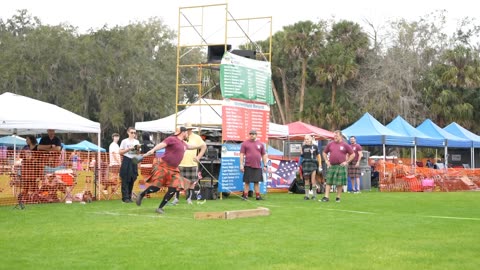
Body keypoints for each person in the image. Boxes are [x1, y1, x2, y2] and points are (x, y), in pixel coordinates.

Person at [135, 126, 205, 214]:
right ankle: (142, 194)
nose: (187, 134)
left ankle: (160, 208)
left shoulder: (184, 144)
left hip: (174, 170)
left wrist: (202, 145)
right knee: (156, 188)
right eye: (186, 132)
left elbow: (193, 147)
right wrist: (151, 151)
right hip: (163, 167)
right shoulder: (172, 139)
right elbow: (160, 145)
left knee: (173, 189)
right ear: (183, 132)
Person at [172, 123, 207, 205]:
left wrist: (198, 157)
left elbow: (204, 146)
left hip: (192, 163)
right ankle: (176, 198)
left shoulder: (197, 137)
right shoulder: (179, 137)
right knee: (178, 182)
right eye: (186, 129)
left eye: (189, 129)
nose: (187, 130)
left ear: (191, 129)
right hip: (180, 163)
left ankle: (189, 198)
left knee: (191, 183)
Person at [321, 130, 354, 203]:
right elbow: (324, 152)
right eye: (334, 136)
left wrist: (347, 162)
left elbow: (352, 154)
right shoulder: (330, 144)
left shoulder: (345, 145)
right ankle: (326, 197)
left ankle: (338, 197)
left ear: (341, 136)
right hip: (332, 166)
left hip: (340, 166)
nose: (335, 137)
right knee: (329, 181)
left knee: (339, 183)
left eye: (336, 136)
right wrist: (326, 160)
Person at [239, 130, 268, 201]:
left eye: (253, 134)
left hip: (257, 166)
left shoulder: (261, 144)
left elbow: (264, 155)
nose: (251, 135)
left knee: (256, 182)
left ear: (256, 135)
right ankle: (245, 196)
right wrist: (241, 165)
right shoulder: (245, 143)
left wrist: (265, 165)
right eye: (250, 134)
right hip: (248, 165)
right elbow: (241, 154)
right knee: (247, 182)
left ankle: (258, 196)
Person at [119, 127, 141, 203]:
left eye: (134, 133)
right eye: (132, 132)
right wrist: (128, 149)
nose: (133, 134)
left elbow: (138, 153)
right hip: (126, 159)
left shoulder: (137, 141)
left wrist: (139, 162)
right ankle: (125, 198)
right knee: (125, 179)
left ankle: (129, 196)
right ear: (128, 132)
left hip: (133, 160)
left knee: (132, 178)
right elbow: (120, 152)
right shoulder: (124, 141)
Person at [300, 135, 322, 200]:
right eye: (305, 139)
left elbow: (318, 156)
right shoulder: (303, 147)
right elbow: (301, 157)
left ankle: (314, 195)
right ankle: (307, 195)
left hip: (313, 164)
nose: (306, 140)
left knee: (313, 180)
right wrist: (299, 165)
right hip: (305, 164)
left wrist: (320, 164)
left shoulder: (315, 147)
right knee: (306, 180)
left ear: (311, 139)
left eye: (307, 139)